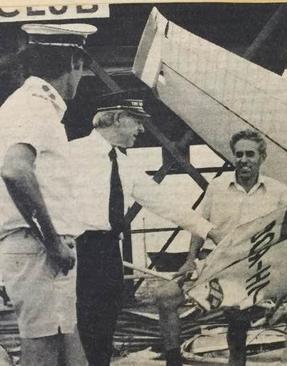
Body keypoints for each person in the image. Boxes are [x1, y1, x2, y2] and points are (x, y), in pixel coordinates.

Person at [69, 97, 224, 365]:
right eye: (136, 121)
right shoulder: (71, 154)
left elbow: (163, 202)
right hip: (77, 250)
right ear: (118, 118)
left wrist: (209, 231)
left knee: (104, 327)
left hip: (107, 253)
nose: (141, 130)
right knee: (80, 329)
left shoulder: (123, 163)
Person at [156, 129, 287, 366]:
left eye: (250, 154)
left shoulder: (278, 190)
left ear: (261, 157)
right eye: (238, 154)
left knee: (237, 316)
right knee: (165, 297)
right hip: (215, 263)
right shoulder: (217, 187)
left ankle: (237, 361)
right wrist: (190, 259)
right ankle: (173, 362)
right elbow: (199, 226)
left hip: (251, 269)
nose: (243, 160)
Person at [0, 23, 97, 366]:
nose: (81, 77)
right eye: (83, 69)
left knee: (69, 349)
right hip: (40, 249)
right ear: (74, 61)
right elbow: (15, 169)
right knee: (42, 354)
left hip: (40, 249)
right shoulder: (35, 106)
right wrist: (53, 240)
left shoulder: (25, 105)